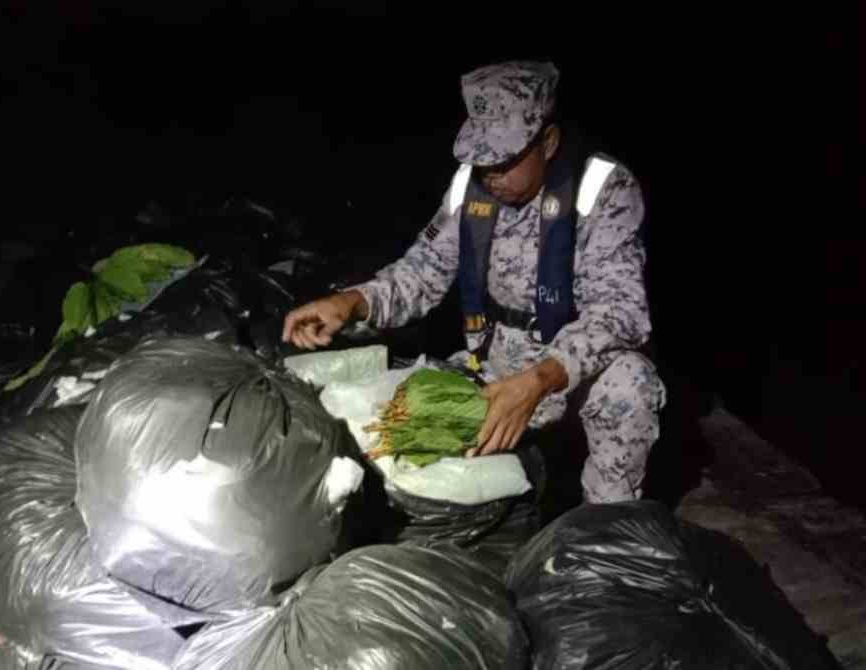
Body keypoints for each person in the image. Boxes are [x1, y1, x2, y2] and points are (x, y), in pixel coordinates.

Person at [281, 60, 666, 504]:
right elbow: (423, 271)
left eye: (502, 159)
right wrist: (352, 302)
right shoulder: (474, 184)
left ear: (548, 141)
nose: (490, 174)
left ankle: (605, 532)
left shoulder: (603, 189)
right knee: (389, 430)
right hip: (494, 365)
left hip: (572, 374)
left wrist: (539, 380)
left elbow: (621, 313)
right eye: (479, 159)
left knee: (630, 385)